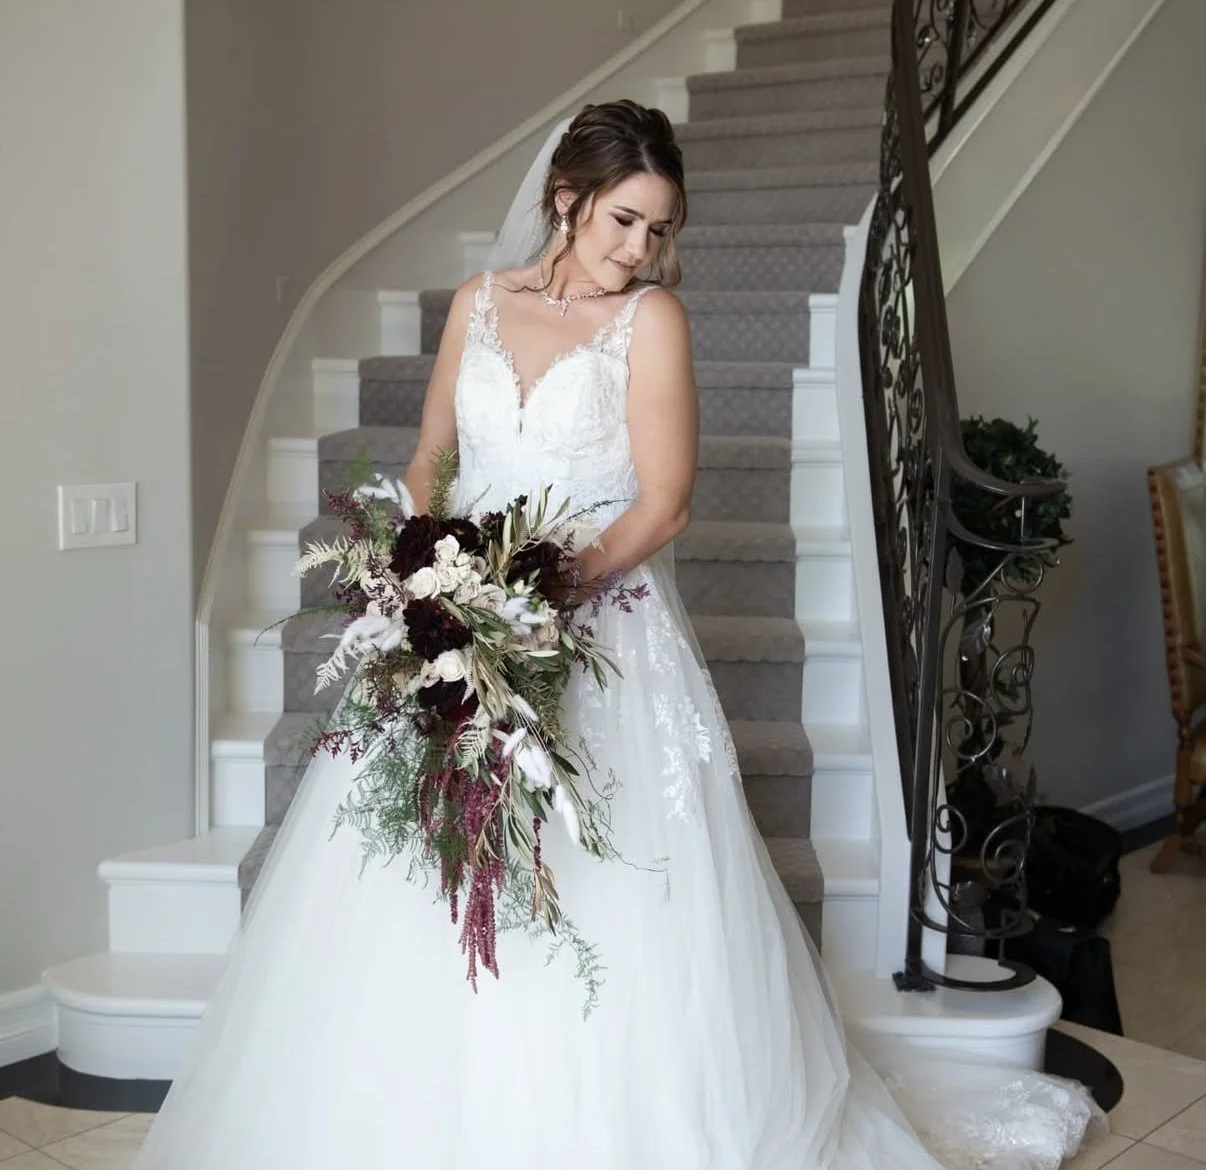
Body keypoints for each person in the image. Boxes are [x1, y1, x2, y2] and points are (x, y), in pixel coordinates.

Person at [134, 100, 1102, 1169]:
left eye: (660, 229)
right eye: (624, 222)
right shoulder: (478, 306)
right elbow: (431, 462)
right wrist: (415, 578)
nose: (641, 249)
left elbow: (667, 504)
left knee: (606, 899)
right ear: (566, 200)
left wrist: (543, 590)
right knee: (412, 882)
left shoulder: (652, 323)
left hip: (599, 638)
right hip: (459, 633)